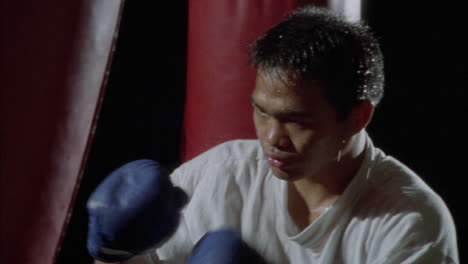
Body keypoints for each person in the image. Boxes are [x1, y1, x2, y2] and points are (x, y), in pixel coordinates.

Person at [93, 6, 459, 264]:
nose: (272, 137)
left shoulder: (408, 223)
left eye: (296, 120)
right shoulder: (220, 177)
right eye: (261, 111)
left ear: (357, 116)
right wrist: (115, 254)